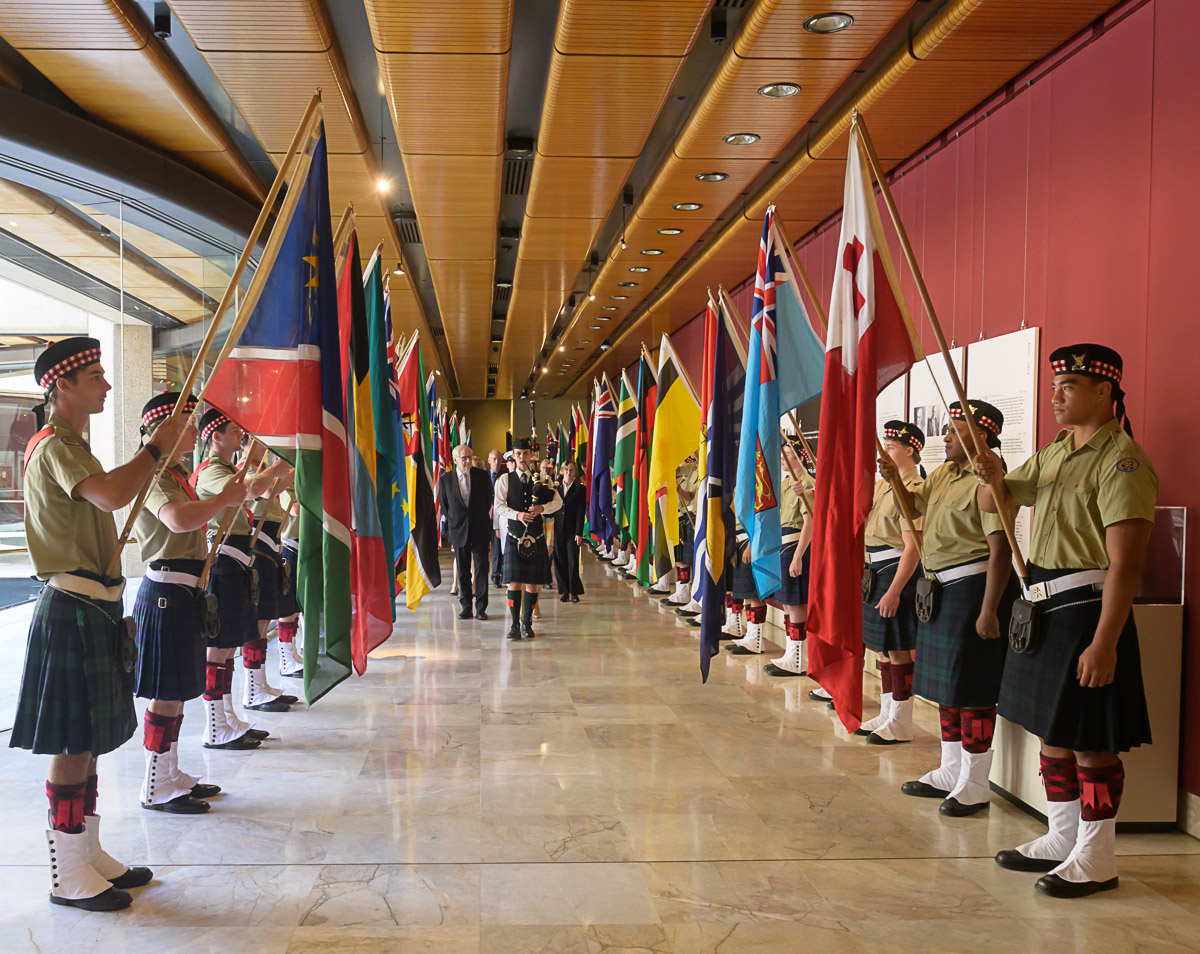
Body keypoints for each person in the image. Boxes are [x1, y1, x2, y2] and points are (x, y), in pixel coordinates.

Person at [11, 337, 191, 910]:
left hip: (94, 606)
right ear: (61, 385)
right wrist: (155, 450)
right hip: (71, 605)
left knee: (86, 738)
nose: (107, 386)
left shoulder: (74, 443)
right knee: (72, 740)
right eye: (95, 377)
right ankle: (66, 868)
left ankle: (86, 852)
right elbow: (114, 495)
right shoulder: (55, 444)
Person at [977, 344, 1156, 899]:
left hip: (1087, 614)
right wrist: (992, 475)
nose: (1056, 395)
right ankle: (1062, 838)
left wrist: (1105, 642)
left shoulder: (1122, 461)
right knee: (1052, 735)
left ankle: (1098, 856)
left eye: (1069, 386)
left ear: (1104, 391)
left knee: (1090, 743)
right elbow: (993, 503)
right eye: (1055, 385)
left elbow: (1125, 565)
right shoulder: (1055, 452)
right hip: (1045, 611)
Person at [882, 401, 1018, 815]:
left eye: (956, 431)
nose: (946, 437)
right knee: (948, 690)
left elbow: (1000, 552)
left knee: (974, 691)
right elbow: (914, 505)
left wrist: (989, 609)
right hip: (940, 590)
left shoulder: (988, 480)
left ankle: (975, 783)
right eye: (948, 429)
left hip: (974, 590)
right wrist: (893, 480)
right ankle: (950, 768)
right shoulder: (941, 473)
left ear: (983, 437)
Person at [132, 392, 247, 816]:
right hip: (164, 591)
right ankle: (155, 783)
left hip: (182, 591)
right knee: (165, 694)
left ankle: (170, 772)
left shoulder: (176, 471)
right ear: (161, 426)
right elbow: (177, 519)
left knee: (178, 690)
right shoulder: (155, 473)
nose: (191, 430)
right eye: (185, 421)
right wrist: (223, 501)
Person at [192, 409, 292, 740]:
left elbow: (263, 487)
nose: (241, 436)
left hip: (238, 559)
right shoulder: (210, 472)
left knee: (228, 644)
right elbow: (252, 491)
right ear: (215, 437)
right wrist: (276, 467)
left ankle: (227, 715)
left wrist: (285, 469)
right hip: (222, 559)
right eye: (234, 431)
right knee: (218, 647)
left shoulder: (230, 469)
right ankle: (215, 724)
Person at [857, 421, 925, 744]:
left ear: (910, 450)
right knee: (883, 649)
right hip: (876, 570)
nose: (884, 454)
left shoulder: (911, 487)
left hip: (897, 572)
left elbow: (913, 546)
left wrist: (895, 590)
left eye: (892, 448)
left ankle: (901, 721)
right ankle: (887, 712)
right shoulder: (884, 485)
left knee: (898, 651)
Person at [494, 437, 562, 639]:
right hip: (515, 536)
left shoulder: (543, 478)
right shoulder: (505, 480)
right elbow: (498, 506)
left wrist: (543, 508)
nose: (521, 457)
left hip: (536, 535)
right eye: (518, 454)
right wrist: (517, 515)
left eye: (525, 453)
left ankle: (527, 623)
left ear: (531, 455)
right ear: (512, 457)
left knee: (533, 583)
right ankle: (514, 625)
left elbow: (558, 502)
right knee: (514, 583)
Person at [764, 438, 815, 677]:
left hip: (795, 546)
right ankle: (790, 652)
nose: (783, 458)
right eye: (782, 452)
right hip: (782, 546)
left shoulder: (806, 484)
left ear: (801, 456)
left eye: (789, 453)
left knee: (796, 605)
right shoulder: (786, 483)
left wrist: (798, 557)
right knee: (786, 604)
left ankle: (798, 658)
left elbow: (810, 522)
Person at [436, 444, 494, 620]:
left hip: (480, 528)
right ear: (455, 460)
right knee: (462, 570)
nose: (468, 461)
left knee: (481, 568)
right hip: (459, 530)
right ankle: (466, 607)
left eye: (470, 456)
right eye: (464, 458)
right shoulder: (446, 480)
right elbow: (446, 507)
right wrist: (457, 522)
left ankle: (482, 608)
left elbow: (487, 500)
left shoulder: (482, 476)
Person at [275, 484, 303, 678]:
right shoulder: (285, 481)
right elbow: (295, 509)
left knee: (295, 607)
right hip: (289, 546)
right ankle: (286, 659)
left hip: (301, 546)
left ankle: (292, 652)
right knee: (287, 608)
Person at [663, 456, 699, 607]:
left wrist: (680, 489)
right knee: (680, 558)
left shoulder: (695, 469)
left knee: (690, 559)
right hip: (679, 515)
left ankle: (691, 594)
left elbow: (690, 496)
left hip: (691, 516)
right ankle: (682, 591)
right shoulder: (688, 469)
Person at [553, 460, 586, 602]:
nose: (568, 472)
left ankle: (574, 592)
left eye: (571, 469)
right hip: (558, 530)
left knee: (572, 561)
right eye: (566, 469)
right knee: (560, 561)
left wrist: (579, 533)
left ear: (575, 473)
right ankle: (564, 591)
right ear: (562, 471)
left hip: (572, 531)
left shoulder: (580, 489)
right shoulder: (555, 488)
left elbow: (580, 512)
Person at [488, 449, 505, 587]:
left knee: (498, 547)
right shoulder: (483, 476)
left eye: (499, 459)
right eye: (494, 459)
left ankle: (496, 575)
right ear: (489, 460)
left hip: (498, 517)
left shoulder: (505, 477)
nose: (497, 462)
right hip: (484, 517)